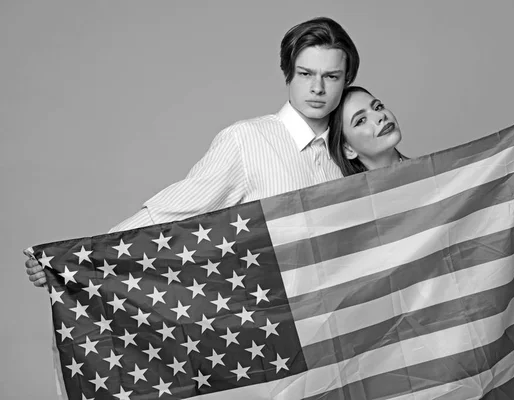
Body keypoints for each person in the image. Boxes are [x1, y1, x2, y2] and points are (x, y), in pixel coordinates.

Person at [25, 16, 360, 287]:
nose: (317, 88)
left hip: (347, 327)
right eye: (306, 74)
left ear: (346, 80)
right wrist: (71, 260)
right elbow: (168, 214)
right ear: (289, 73)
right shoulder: (247, 140)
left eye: (331, 76)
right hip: (278, 324)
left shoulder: (354, 151)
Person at [328, 86, 514, 176]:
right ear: (347, 148)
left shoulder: (436, 177)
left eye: (378, 106)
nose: (379, 116)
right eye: (361, 121)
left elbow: (497, 211)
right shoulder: (350, 209)